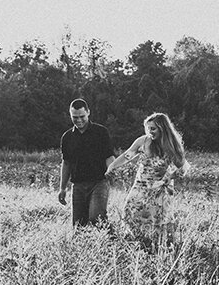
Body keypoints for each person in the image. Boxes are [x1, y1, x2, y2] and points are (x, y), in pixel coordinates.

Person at [106, 112, 189, 246]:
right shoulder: (143, 141)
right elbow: (128, 155)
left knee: (157, 220)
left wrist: (170, 176)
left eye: (153, 129)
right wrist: (113, 166)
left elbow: (183, 168)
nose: (150, 132)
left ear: (163, 129)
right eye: (148, 128)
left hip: (159, 189)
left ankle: (157, 246)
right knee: (129, 212)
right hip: (140, 186)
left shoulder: (171, 146)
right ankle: (135, 243)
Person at [58, 98, 115, 226]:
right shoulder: (67, 137)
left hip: (99, 182)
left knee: (96, 218)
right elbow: (66, 163)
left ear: (88, 112)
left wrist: (112, 172)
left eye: (82, 116)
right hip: (78, 185)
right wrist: (62, 188)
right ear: (70, 115)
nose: (79, 120)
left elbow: (109, 157)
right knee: (79, 226)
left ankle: (110, 241)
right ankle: (87, 245)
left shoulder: (101, 132)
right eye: (75, 117)